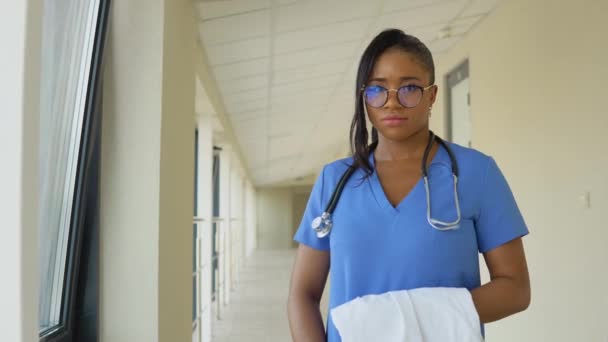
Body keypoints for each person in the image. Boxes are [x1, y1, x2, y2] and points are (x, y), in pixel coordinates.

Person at [287, 28, 531, 342]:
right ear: (365, 97)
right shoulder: (334, 181)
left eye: (409, 88)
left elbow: (515, 289)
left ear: (432, 95)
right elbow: (302, 294)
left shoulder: (476, 173)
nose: (392, 102)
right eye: (377, 89)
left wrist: (408, 316)